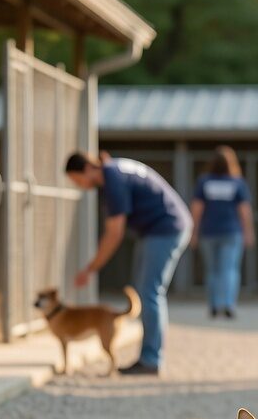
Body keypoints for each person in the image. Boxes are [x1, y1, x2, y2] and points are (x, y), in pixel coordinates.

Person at [65, 153, 192, 376]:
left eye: (77, 181)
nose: (80, 187)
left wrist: (90, 269)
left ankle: (151, 360)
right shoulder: (115, 169)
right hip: (158, 229)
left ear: (86, 169)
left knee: (150, 292)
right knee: (145, 291)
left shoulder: (112, 178)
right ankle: (148, 357)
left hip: (166, 228)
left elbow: (114, 233)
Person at [189, 146, 255, 319]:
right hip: (232, 233)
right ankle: (228, 304)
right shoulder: (237, 182)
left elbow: (196, 209)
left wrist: (193, 233)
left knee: (212, 271)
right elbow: (244, 211)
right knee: (230, 270)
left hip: (207, 233)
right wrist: (249, 232)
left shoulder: (204, 181)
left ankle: (213, 305)